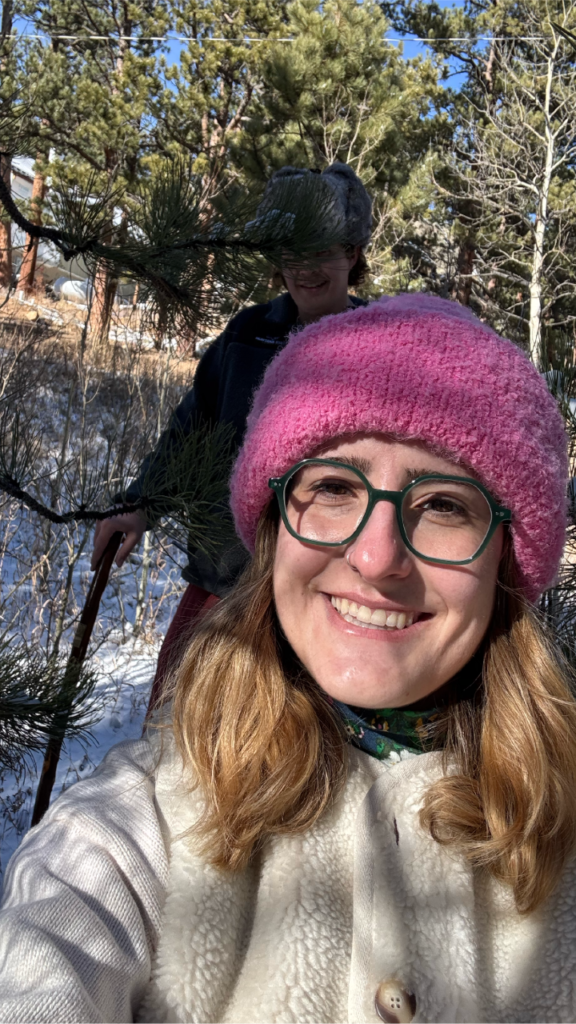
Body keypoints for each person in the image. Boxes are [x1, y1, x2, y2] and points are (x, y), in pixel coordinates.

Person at [2, 293, 576, 1024]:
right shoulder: (132, 833)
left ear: (506, 563)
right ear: (275, 525)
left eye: (443, 504)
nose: (376, 557)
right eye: (332, 487)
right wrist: (142, 499)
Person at [91, 162, 372, 709]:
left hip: (322, 597)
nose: (305, 268)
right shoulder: (247, 335)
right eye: (292, 251)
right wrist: (141, 505)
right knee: (171, 725)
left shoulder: (380, 347)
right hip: (222, 580)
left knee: (284, 745)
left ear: (353, 252)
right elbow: (192, 429)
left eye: (323, 250)